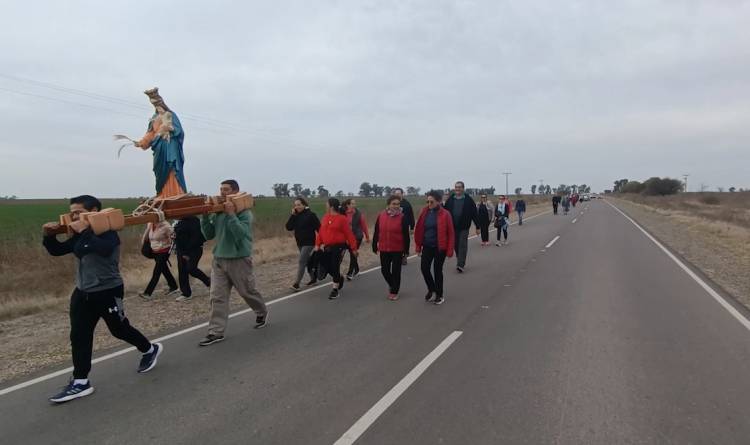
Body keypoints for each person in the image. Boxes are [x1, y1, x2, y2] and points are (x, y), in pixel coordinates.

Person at [42, 195, 162, 403]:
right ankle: (80, 382)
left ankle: (150, 349)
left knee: (119, 329)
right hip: (82, 292)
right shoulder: (81, 234)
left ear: (94, 211)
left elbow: (100, 249)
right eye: (72, 213)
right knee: (79, 335)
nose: (74, 216)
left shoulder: (109, 234)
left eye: (78, 212)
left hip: (108, 290)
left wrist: (85, 231)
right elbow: (57, 250)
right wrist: (48, 236)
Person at [199, 179, 268, 346]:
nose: (222, 193)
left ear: (235, 191)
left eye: (226, 190)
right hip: (219, 260)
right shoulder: (218, 212)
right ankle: (216, 332)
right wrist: (205, 216)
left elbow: (240, 234)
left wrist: (231, 214)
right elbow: (208, 235)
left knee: (247, 292)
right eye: (221, 189)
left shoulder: (244, 212)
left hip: (239, 259)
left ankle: (261, 311)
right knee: (217, 297)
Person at [132, 88, 187, 198]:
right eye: (154, 104)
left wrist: (169, 129)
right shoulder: (154, 118)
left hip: (170, 145)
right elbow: (150, 133)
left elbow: (179, 130)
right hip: (159, 147)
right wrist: (142, 142)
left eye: (158, 102)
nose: (157, 105)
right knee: (159, 169)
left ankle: (176, 192)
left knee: (171, 166)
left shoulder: (170, 114)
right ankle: (162, 193)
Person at [415, 190, 455, 305]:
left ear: (438, 201)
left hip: (440, 247)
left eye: (431, 202)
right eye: (427, 201)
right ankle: (431, 288)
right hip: (427, 245)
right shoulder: (424, 212)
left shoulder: (445, 214)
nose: (429, 204)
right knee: (424, 268)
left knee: (437, 270)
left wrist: (450, 249)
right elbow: (419, 230)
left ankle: (439, 294)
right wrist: (418, 246)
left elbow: (451, 233)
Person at [316, 198, 359, 300]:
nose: (325, 206)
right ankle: (339, 278)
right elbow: (321, 232)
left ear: (331, 206)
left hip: (339, 246)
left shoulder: (342, 219)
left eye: (327, 204)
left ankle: (335, 290)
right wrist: (317, 244)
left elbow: (349, 234)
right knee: (325, 263)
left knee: (335, 266)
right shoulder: (325, 217)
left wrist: (354, 248)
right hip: (327, 246)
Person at [372, 195, 411, 300]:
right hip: (384, 248)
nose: (396, 206)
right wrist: (374, 244)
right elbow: (376, 231)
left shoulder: (402, 217)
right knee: (384, 270)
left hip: (397, 249)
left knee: (396, 271)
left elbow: (406, 236)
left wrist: (406, 250)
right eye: (393, 204)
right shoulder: (381, 216)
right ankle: (392, 284)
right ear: (388, 205)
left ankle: (394, 291)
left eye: (398, 204)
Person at [286, 197, 321, 291]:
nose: (297, 207)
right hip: (300, 242)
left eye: (299, 205)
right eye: (296, 205)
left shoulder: (311, 215)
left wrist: (321, 242)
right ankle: (314, 278)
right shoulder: (296, 216)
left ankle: (296, 284)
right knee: (307, 261)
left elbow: (319, 228)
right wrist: (292, 215)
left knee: (301, 261)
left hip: (309, 242)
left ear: (304, 205)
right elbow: (288, 227)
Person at [443, 181, 479, 273]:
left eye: (459, 187)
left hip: (464, 226)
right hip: (452, 227)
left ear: (463, 188)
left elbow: (474, 213)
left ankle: (460, 264)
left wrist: (477, 226)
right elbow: (444, 213)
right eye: (456, 187)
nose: (457, 189)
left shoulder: (468, 200)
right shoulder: (450, 199)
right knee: (455, 244)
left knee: (462, 244)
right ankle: (460, 258)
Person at [173, 215, 211, 302]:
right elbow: (179, 237)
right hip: (181, 250)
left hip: (194, 249)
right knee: (182, 271)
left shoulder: (194, 221)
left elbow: (196, 237)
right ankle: (186, 293)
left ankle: (208, 282)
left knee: (191, 268)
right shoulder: (179, 221)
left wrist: (186, 253)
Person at [139, 220, 178, 300]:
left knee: (156, 272)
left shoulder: (166, 226)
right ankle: (173, 286)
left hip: (164, 251)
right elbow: (147, 238)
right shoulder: (150, 223)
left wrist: (171, 249)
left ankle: (147, 293)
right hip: (155, 251)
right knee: (164, 270)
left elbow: (174, 238)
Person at [343, 198, 370, 280]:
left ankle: (350, 272)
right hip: (347, 238)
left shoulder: (358, 214)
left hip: (357, 236)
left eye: (355, 203)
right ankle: (357, 270)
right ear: (348, 205)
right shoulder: (343, 214)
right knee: (351, 253)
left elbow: (364, 226)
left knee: (353, 253)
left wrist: (367, 236)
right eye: (352, 204)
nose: (354, 205)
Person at [392, 187, 415, 265]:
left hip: (404, 226)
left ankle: (405, 255)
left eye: (398, 193)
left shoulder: (407, 204)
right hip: (394, 227)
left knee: (405, 241)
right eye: (396, 194)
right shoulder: (392, 203)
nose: (397, 195)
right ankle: (396, 255)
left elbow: (411, 215)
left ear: (402, 194)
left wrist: (412, 227)